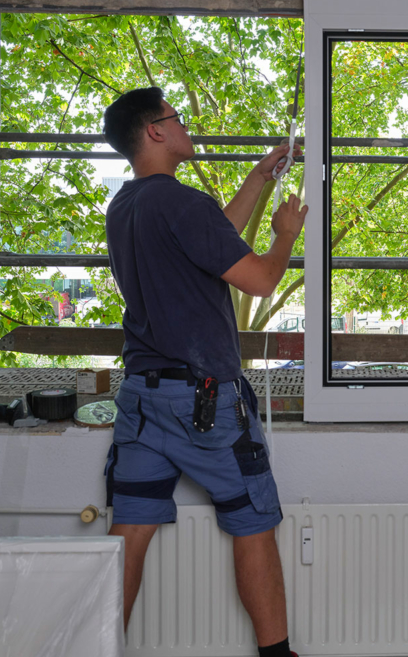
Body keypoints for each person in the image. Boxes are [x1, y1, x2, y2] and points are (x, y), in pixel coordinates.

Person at [101, 86, 306, 657]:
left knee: (130, 532)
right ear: (156, 132)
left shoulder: (127, 205)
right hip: (204, 401)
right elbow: (260, 278)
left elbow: (211, 239)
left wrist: (261, 178)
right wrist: (286, 234)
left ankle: (98, 646)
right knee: (254, 521)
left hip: (142, 400)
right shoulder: (181, 203)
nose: (184, 124)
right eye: (176, 117)